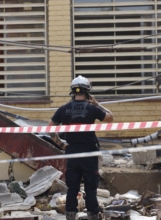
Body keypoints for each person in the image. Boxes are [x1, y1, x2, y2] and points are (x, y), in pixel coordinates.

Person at [48, 76, 114, 220]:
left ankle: (70, 216)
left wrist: (61, 144)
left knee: (72, 188)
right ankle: (93, 216)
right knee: (91, 188)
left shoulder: (63, 109)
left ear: (72, 91)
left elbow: (50, 128)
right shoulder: (92, 108)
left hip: (72, 152)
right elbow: (110, 118)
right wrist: (97, 104)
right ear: (88, 92)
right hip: (89, 153)